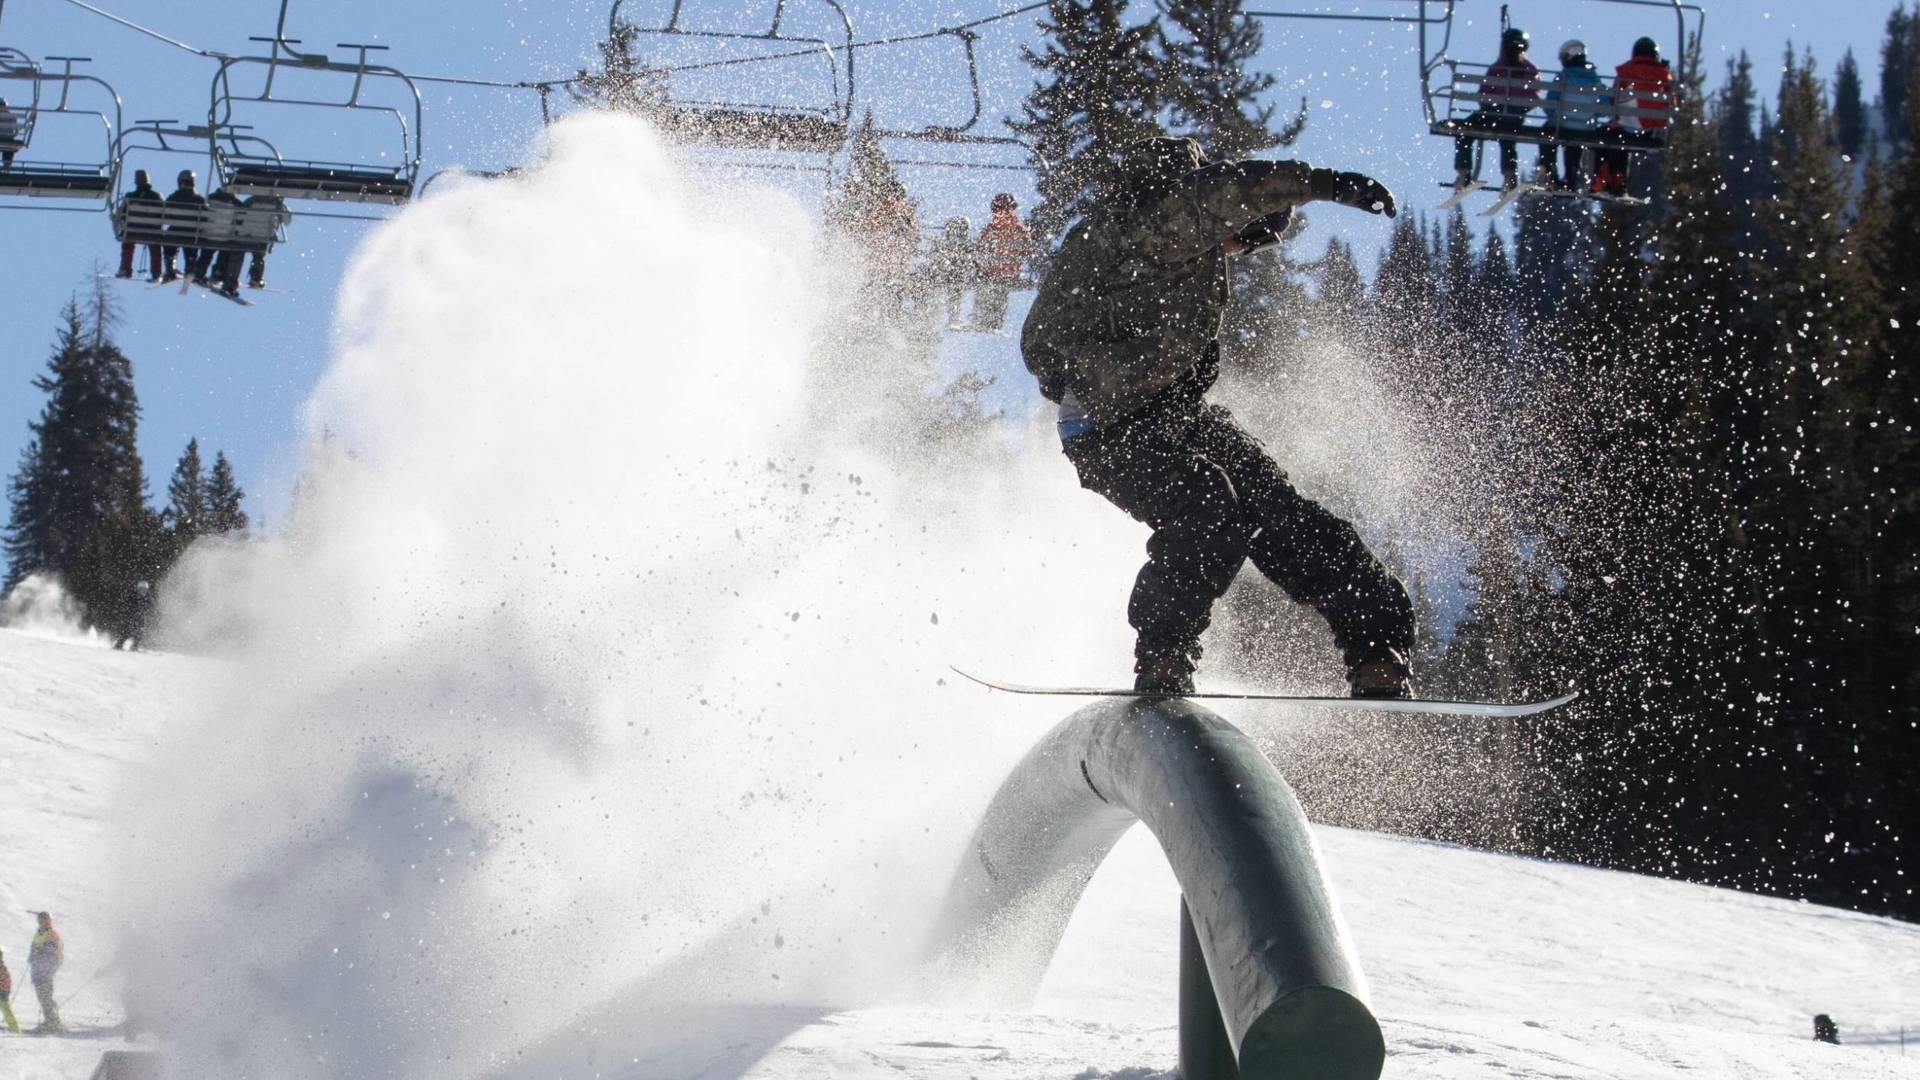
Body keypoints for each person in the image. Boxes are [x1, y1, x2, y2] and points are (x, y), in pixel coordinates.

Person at [1021, 137, 1415, 697]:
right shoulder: (1153, 222)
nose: (1250, 247)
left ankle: (1379, 649)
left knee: (1281, 513)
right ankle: (1163, 658)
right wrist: (1328, 185)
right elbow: (1223, 193)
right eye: (1256, 232)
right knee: (1207, 508)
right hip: (1111, 428)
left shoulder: (1169, 252)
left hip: (1173, 416)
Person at [1452, 27, 1540, 191]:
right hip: (1513, 118)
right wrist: (1518, 109)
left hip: (1493, 114)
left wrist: (1492, 106)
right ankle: (1509, 175)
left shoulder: (1498, 68)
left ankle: (1464, 172)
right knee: (1508, 139)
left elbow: (1483, 94)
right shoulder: (1529, 70)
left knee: (1465, 131)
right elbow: (1533, 98)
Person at [1596, 36, 1674, 195]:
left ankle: (1604, 177)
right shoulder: (1664, 75)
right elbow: (1672, 104)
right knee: (1621, 137)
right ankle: (1618, 181)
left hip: (1627, 126)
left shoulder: (1625, 71)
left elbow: (1614, 99)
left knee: (1608, 135)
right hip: (1651, 129)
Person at [1536, 40, 1608, 190]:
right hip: (1584, 128)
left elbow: (1550, 105)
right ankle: (1571, 177)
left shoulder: (1563, 77)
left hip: (1560, 126)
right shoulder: (1595, 80)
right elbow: (1603, 109)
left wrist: (1554, 115)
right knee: (1574, 143)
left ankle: (1549, 172)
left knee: (1546, 134)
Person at [973, 193, 1034, 333]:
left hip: (989, 273)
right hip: (1010, 273)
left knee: (986, 292)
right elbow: (1027, 251)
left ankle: (983, 320)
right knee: (1001, 294)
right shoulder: (1020, 228)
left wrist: (981, 264)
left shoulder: (991, 228)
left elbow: (980, 250)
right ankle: (996, 321)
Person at [923, 216, 976, 329]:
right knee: (956, 288)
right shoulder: (966, 244)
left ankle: (931, 317)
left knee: (951, 286)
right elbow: (971, 260)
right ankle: (953, 317)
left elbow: (934, 256)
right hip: (954, 275)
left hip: (941, 275)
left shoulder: (942, 242)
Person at [115, 169, 165, 281]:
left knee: (128, 244)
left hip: (132, 231)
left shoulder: (130, 196)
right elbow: (164, 215)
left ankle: (125, 269)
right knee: (155, 245)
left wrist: (121, 221)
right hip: (153, 231)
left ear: (136, 182)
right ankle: (157, 273)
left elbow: (120, 214)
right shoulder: (157, 196)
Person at [161, 169, 207, 283]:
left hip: (175, 232)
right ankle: (190, 268)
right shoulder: (199, 199)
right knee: (193, 241)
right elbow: (206, 217)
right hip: (193, 234)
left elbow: (164, 214)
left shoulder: (174, 197)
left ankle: (170, 267)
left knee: (169, 240)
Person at [241, 192, 291, 289]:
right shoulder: (278, 204)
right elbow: (286, 221)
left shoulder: (252, 200)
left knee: (237, 251)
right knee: (259, 255)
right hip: (265, 235)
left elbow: (240, 212)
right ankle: (256, 277)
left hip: (249, 233)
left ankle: (226, 274)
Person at [28, 911, 64, 1034]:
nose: (41, 921)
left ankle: (53, 1022)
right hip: (38, 971)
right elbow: (34, 948)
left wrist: (40, 952)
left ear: (49, 920)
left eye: (44, 919)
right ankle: (51, 1021)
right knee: (43, 997)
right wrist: (32, 955)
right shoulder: (39, 933)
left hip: (46, 971)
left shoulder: (52, 934)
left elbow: (55, 953)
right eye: (40, 919)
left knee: (45, 996)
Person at [0, 945, 19, 1033]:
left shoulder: (2, 968)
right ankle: (15, 1028)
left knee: (6, 1011)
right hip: (3, 991)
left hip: (2, 992)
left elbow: (6, 980)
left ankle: (15, 1029)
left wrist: (5, 991)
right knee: (6, 1010)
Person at [0, 98, 17, 169]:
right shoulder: (11, 116)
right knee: (10, 148)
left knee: (9, 148)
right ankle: (7, 167)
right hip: (9, 139)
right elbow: (15, 130)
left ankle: (6, 166)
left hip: (4, 138)